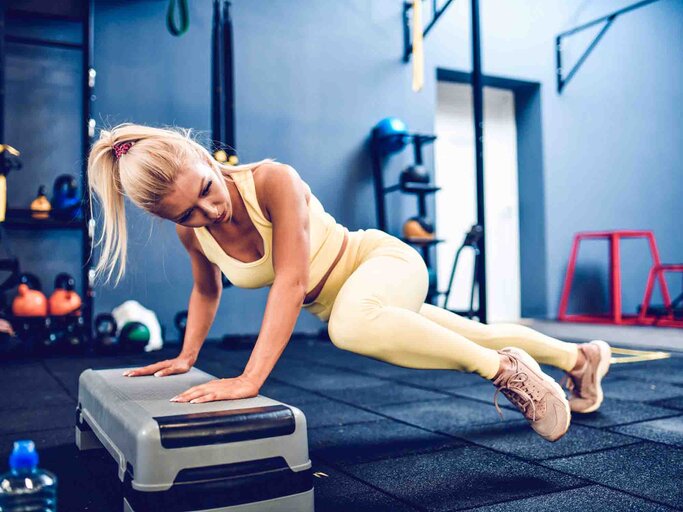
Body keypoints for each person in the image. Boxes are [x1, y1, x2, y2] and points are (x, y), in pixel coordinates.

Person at [87, 123, 612, 443]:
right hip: (354, 301)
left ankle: (505, 372)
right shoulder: (194, 235)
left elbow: (291, 280)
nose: (211, 210)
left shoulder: (272, 179)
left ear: (203, 155)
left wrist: (249, 380)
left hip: (380, 262)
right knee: (466, 332)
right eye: (189, 213)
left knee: (352, 326)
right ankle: (579, 360)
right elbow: (207, 291)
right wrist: (185, 355)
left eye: (205, 189)